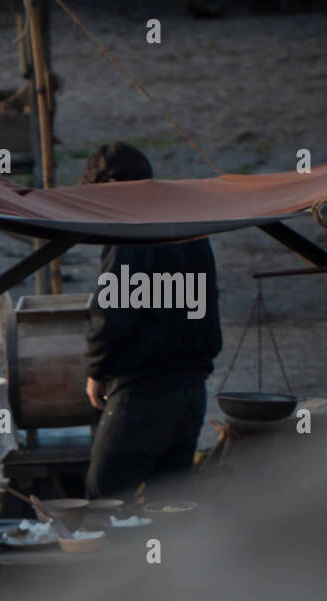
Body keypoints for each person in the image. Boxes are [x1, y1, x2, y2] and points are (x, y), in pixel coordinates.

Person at [79, 142, 223, 499]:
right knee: (168, 506)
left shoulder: (130, 227)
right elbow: (206, 301)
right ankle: (165, 557)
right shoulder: (189, 227)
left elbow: (112, 312)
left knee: (105, 499)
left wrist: (96, 371)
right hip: (192, 390)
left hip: (145, 392)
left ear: (113, 187)